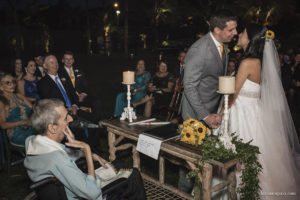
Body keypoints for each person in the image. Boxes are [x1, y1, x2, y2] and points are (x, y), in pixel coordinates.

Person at [218, 24, 300, 199]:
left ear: (251, 39)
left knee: (238, 155)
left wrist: (220, 115)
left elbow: (233, 94)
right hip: (254, 112)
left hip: (242, 113)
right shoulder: (259, 61)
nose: (239, 34)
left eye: (243, 33)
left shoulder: (248, 62)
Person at [24, 99, 146, 200]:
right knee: (134, 176)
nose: (71, 119)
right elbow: (92, 193)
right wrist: (87, 150)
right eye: (66, 118)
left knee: (118, 164)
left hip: (70, 188)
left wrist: (92, 155)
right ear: (52, 128)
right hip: (87, 194)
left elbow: (64, 152)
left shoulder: (32, 142)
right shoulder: (58, 160)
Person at [178, 10, 237, 193]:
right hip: (195, 114)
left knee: (205, 160)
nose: (235, 33)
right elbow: (189, 86)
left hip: (211, 111)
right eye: (231, 29)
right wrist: (204, 115)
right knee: (190, 162)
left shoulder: (222, 46)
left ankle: (200, 192)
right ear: (218, 29)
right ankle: (183, 194)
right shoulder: (199, 50)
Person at [37, 55, 100, 149]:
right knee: (78, 129)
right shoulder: (43, 83)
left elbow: (74, 94)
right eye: (51, 62)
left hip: (74, 110)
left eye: (56, 62)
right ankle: (82, 152)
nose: (55, 65)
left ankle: (92, 148)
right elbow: (49, 103)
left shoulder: (64, 79)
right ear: (45, 66)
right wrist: (66, 110)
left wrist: (75, 105)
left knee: (96, 121)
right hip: (62, 115)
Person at [59, 51, 103, 121]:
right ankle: (85, 123)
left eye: (70, 59)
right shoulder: (59, 73)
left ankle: (98, 122)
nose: (68, 61)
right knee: (79, 112)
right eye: (66, 59)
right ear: (62, 60)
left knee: (96, 102)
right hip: (70, 99)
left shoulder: (79, 71)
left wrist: (83, 94)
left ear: (73, 60)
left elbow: (85, 85)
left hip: (81, 97)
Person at [0, 73, 36, 146]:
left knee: (47, 137)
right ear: (1, 87)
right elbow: (3, 125)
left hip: (30, 126)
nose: (12, 84)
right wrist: (22, 122)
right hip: (16, 132)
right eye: (8, 83)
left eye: (13, 82)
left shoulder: (18, 95)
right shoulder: (2, 102)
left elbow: (33, 109)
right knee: (38, 143)